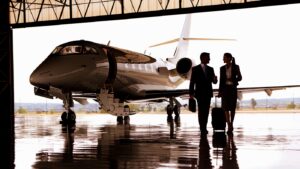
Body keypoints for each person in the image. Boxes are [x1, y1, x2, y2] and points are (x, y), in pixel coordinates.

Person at [189, 52, 218, 135]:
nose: (209, 59)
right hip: (199, 94)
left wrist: (215, 79)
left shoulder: (211, 69)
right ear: (203, 58)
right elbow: (192, 82)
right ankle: (202, 128)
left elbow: (214, 82)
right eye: (208, 57)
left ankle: (204, 127)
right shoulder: (195, 69)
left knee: (206, 111)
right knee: (201, 112)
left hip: (208, 94)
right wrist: (191, 94)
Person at [218, 53, 242, 134]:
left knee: (232, 108)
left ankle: (231, 123)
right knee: (225, 108)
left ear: (229, 58)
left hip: (232, 89)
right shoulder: (222, 68)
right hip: (225, 90)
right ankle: (229, 125)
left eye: (224, 57)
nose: (223, 59)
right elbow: (221, 81)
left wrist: (233, 79)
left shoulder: (236, 66)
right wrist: (219, 92)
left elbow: (240, 78)